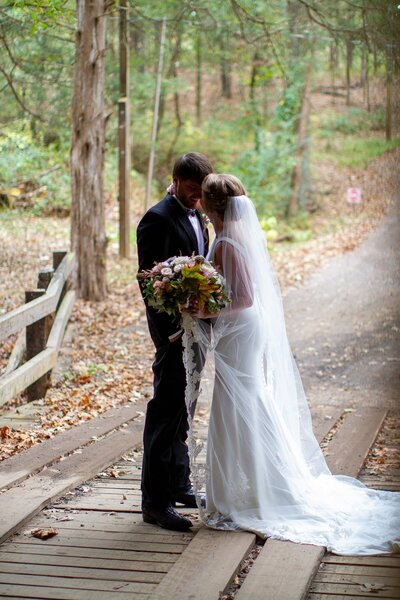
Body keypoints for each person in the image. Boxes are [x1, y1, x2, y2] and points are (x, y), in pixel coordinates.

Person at [181, 173, 400, 554]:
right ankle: (256, 483)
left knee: (240, 401)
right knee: (247, 399)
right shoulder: (236, 236)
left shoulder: (228, 242)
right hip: (243, 329)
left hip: (241, 327)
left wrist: (204, 307)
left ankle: (259, 490)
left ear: (212, 205)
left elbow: (244, 297)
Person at [136, 152, 213, 531]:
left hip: (196, 330)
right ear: (176, 180)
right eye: (193, 189)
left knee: (185, 411)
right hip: (173, 335)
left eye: (202, 192)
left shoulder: (197, 214)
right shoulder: (157, 218)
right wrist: (170, 332)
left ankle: (179, 483)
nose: (198, 197)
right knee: (164, 416)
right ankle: (155, 503)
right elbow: (148, 281)